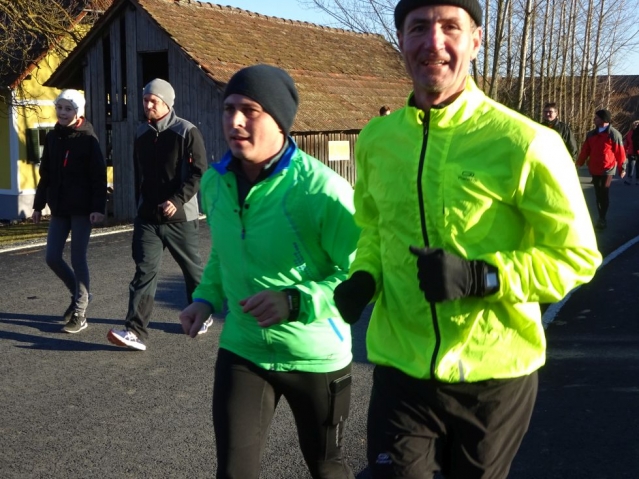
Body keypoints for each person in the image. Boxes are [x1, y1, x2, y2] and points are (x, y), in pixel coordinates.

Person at [332, 1, 602, 478]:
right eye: (419, 27)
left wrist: (482, 277)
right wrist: (364, 276)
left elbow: (576, 256)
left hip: (494, 378)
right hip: (401, 369)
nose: (433, 42)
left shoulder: (526, 142)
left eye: (450, 27)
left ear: (475, 41)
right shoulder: (376, 139)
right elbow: (373, 226)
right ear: (402, 40)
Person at [178, 64, 359, 479]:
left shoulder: (320, 189)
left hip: (315, 355)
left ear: (279, 120)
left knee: (327, 469)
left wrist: (296, 301)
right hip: (244, 349)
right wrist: (205, 298)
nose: (235, 121)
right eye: (229, 109)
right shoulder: (215, 183)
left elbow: (361, 275)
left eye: (250, 110)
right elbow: (225, 253)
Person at [107, 78, 212, 351]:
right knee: (144, 272)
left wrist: (177, 200)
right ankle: (135, 331)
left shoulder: (186, 131)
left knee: (192, 270)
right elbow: (139, 174)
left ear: (166, 103)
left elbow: (199, 172)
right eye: (145, 100)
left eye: (153, 101)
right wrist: (139, 206)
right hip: (148, 219)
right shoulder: (141, 133)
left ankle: (201, 312)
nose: (148, 105)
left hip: (180, 218)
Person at [32, 89, 107, 334]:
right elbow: (45, 174)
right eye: (60, 107)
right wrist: (38, 205)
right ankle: (79, 293)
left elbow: (98, 176)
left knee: (77, 258)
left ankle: (80, 312)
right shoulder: (53, 137)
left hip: (83, 209)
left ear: (78, 112)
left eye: (68, 109)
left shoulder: (88, 138)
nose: (62, 113)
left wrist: (98, 207)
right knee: (52, 257)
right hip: (59, 207)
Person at [576, 109, 627, 230]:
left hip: (608, 168)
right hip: (594, 168)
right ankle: (601, 215)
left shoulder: (614, 134)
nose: (594, 119)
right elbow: (585, 150)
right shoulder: (591, 134)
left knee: (604, 192)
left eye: (597, 118)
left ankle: (602, 218)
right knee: (598, 193)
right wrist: (579, 163)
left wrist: (622, 168)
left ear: (604, 119)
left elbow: (620, 152)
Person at [623, 120, 639, 185]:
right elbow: (627, 143)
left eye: (637, 124)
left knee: (638, 167)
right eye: (635, 124)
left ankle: (637, 179)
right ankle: (629, 178)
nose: (636, 126)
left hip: (637, 151)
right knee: (631, 166)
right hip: (631, 151)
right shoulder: (630, 133)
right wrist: (625, 151)